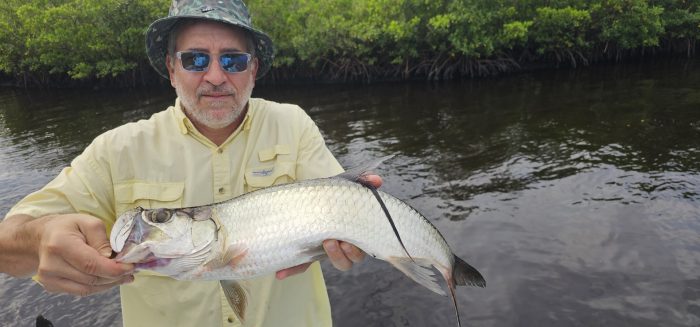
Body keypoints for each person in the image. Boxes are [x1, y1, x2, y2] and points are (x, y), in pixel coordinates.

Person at [0, 1, 380, 326]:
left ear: (253, 69)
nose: (215, 76)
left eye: (233, 60)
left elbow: (340, 209)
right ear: (171, 69)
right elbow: (7, 245)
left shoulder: (293, 125)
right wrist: (38, 239)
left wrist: (354, 236)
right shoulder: (117, 149)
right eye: (195, 59)